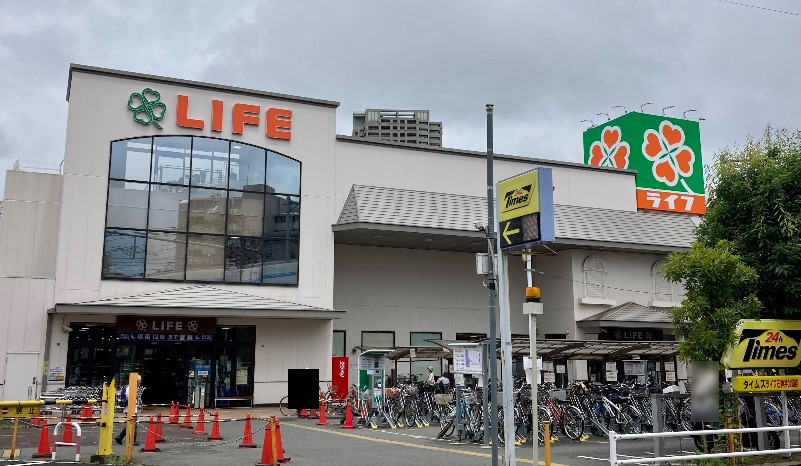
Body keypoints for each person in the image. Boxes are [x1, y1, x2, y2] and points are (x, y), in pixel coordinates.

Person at [115, 375, 141, 446]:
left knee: (130, 424)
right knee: (133, 425)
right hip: (131, 409)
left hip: (129, 408)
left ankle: (121, 437)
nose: (140, 383)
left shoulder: (128, 387)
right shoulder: (131, 388)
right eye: (139, 382)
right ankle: (130, 439)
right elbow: (131, 399)